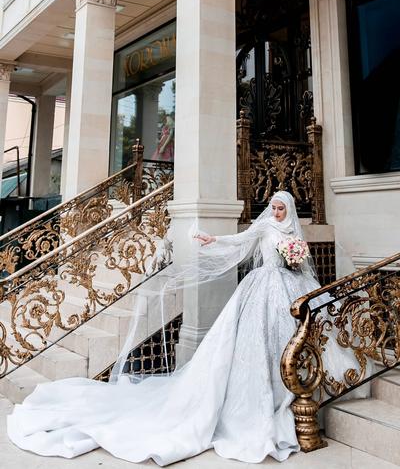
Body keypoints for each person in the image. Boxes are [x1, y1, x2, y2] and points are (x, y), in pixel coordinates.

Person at [6, 191, 363, 466]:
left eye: (281, 208)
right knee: (257, 343)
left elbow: (301, 266)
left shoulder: (293, 233)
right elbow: (240, 241)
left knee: (293, 338)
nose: (276, 212)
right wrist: (213, 240)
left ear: (290, 210)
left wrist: (295, 257)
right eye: (273, 207)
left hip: (289, 288)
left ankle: (295, 390)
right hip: (261, 289)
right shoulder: (266, 226)